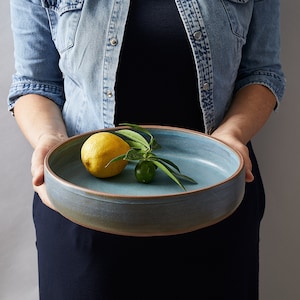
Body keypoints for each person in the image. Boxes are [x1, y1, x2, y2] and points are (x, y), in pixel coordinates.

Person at [8, 0, 285, 299]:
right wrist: (50, 140)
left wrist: (232, 135)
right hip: (85, 212)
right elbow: (34, 83)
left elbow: (261, 73)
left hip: (212, 204)